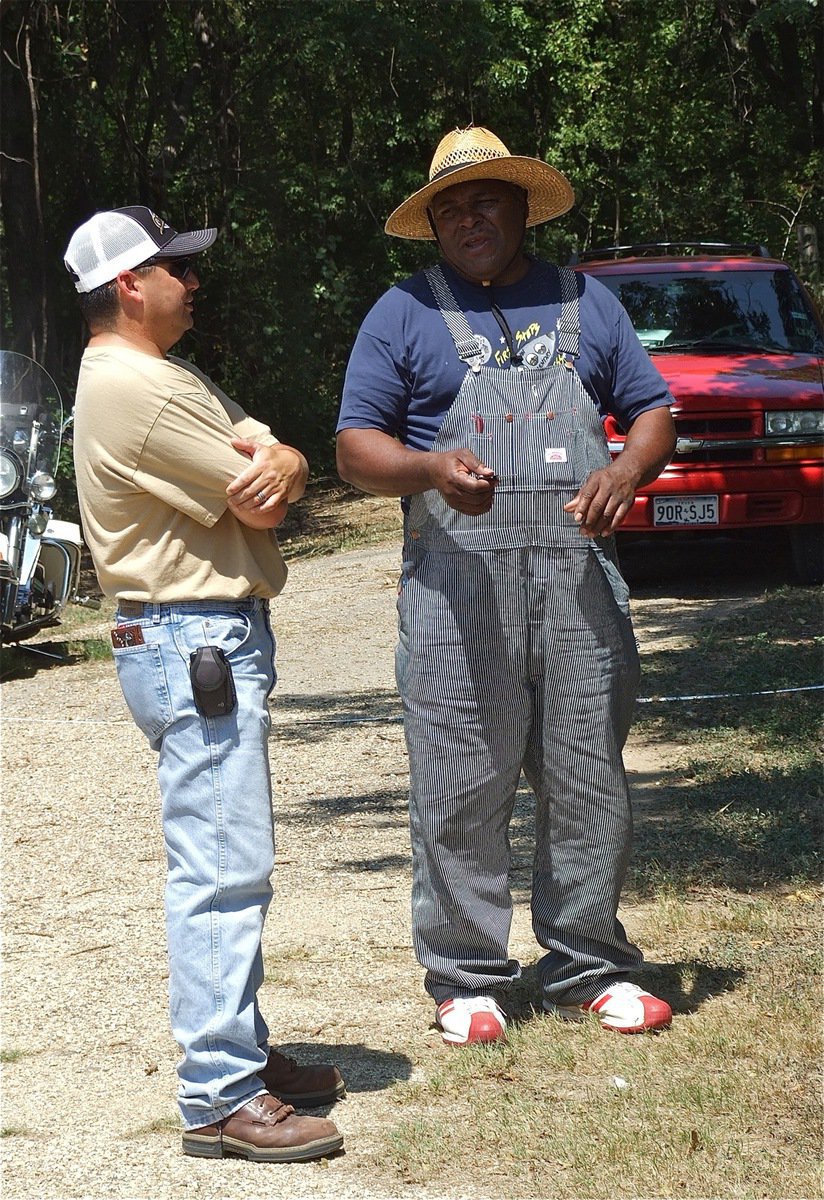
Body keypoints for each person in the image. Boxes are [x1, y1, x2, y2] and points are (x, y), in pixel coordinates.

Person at [336, 127, 678, 1047]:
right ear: (432, 224)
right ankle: (466, 977)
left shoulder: (584, 301)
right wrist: (426, 467)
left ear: (524, 206)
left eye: (486, 198)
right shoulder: (401, 313)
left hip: (577, 587)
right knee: (457, 783)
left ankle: (589, 964)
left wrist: (627, 473)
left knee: (587, 779)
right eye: (450, 206)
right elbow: (353, 447)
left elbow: (653, 411)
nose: (469, 216)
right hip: (456, 595)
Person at [65, 206, 344, 1161]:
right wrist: (281, 463)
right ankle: (220, 1092)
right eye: (176, 267)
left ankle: (240, 1057)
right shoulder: (136, 386)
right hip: (196, 639)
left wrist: (286, 459)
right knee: (222, 866)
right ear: (129, 284)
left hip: (194, 638)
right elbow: (255, 483)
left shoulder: (155, 374)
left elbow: (273, 453)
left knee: (229, 858)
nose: (194, 281)